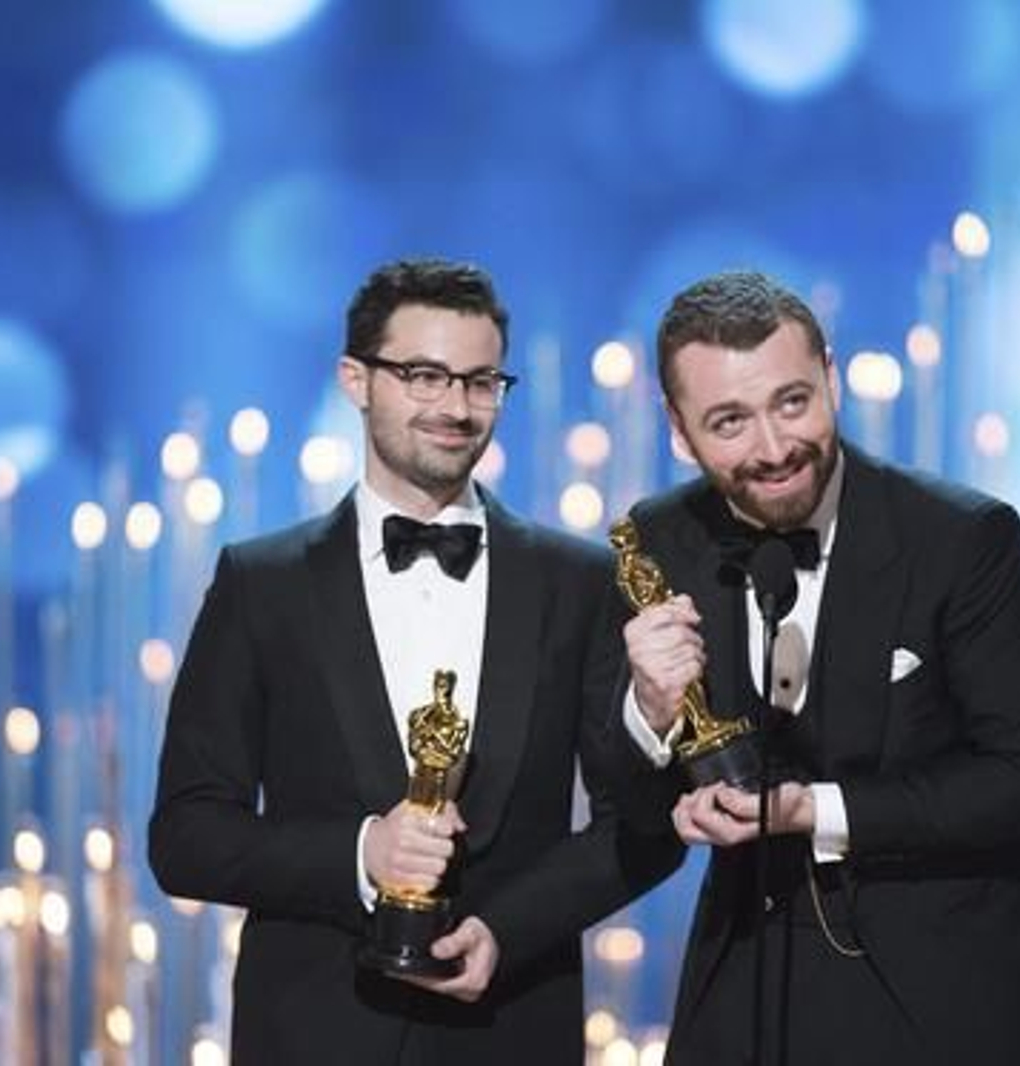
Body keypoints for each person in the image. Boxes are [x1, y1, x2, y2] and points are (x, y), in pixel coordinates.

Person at [149, 258, 678, 1065]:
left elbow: (639, 830)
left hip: (512, 1031)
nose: (456, 408)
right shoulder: (263, 584)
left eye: (480, 382)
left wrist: (507, 932)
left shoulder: (577, 582)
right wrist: (361, 854)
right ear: (355, 380)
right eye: (425, 376)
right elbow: (186, 835)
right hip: (312, 1036)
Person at [605, 271, 1020, 1064]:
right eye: (729, 421)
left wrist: (813, 811)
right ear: (679, 431)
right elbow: (623, 800)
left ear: (829, 376)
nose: (773, 448)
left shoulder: (965, 541)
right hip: (748, 988)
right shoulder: (656, 545)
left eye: (793, 402)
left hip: (951, 995)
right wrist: (650, 716)